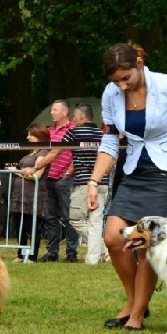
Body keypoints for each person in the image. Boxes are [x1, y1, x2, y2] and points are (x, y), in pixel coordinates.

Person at [87, 42, 167, 332]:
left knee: (145, 246)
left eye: (125, 78)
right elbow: (110, 140)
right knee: (114, 238)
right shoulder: (111, 94)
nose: (122, 86)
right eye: (116, 81)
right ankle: (134, 300)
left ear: (138, 63)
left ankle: (136, 315)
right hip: (135, 170)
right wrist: (94, 180)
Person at [23, 100, 77, 262]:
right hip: (48, 178)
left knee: (69, 217)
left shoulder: (73, 129)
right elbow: (42, 151)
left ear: (64, 112)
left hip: (66, 179)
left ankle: (71, 253)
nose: (52, 113)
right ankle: (52, 252)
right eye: (52, 110)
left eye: (55, 110)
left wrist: (69, 172)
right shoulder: (49, 131)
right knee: (50, 217)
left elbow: (77, 154)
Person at [62, 103, 109, 264]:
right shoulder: (101, 134)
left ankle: (103, 250)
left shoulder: (74, 131)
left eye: (74, 116)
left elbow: (58, 148)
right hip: (102, 182)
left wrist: (39, 165)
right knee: (96, 221)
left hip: (83, 182)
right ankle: (95, 257)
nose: (72, 119)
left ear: (81, 116)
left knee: (75, 219)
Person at [8, 123, 50, 263]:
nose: (28, 137)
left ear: (38, 136)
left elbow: (37, 175)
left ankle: (32, 255)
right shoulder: (31, 152)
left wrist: (17, 173)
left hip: (33, 196)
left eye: (31, 135)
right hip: (21, 194)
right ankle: (20, 253)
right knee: (20, 223)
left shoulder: (43, 154)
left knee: (33, 226)